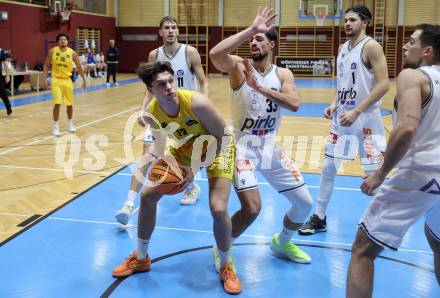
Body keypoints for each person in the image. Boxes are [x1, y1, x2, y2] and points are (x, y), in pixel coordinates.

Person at [111, 61, 242, 294]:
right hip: (185, 149)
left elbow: (223, 138)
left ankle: (226, 264)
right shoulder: (152, 113)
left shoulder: (196, 102)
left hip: (219, 148)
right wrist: (166, 170)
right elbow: (160, 148)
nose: (169, 87)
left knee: (218, 208)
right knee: (148, 195)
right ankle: (141, 257)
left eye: (171, 81)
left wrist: (193, 171)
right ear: (151, 90)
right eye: (161, 84)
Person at [209, 7, 314, 266]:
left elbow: (294, 103)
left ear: (272, 44)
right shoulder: (238, 67)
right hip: (242, 146)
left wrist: (261, 88)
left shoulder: (282, 74)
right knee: (252, 208)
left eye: (259, 39)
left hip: (269, 146)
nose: (254, 43)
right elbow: (214, 54)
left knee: (304, 204)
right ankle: (222, 248)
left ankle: (282, 242)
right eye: (252, 40)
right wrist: (250, 29)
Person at [347, 24, 440, 297]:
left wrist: (380, 173)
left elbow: (407, 127)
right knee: (437, 239)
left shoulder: (413, 75)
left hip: (422, 172)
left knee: (363, 250)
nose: (404, 46)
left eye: (410, 42)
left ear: (427, 50)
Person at [299, 5, 390, 235]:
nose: (347, 24)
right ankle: (319, 217)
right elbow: (343, 85)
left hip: (366, 120)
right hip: (342, 119)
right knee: (329, 167)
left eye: (352, 20)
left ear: (365, 23)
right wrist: (334, 104)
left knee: (373, 172)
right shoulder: (342, 48)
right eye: (345, 20)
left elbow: (383, 85)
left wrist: (357, 111)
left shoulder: (371, 47)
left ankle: (380, 221)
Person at [114, 16, 206, 225]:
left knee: (188, 157)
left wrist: (202, 103)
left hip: (186, 113)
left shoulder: (189, 52)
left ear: (178, 32)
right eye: (167, 28)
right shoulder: (154, 55)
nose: (171, 30)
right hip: (160, 111)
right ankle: (127, 205)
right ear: (160, 32)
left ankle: (192, 186)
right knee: (146, 156)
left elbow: (202, 81)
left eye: (174, 27)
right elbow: (149, 87)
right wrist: (142, 110)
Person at [43, 33, 86, 137]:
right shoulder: (52, 51)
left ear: (67, 41)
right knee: (57, 103)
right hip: (56, 80)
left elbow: (79, 67)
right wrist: (45, 79)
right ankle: (55, 127)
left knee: (69, 104)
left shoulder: (72, 53)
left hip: (67, 80)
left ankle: (69, 123)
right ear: (58, 42)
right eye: (61, 39)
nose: (63, 41)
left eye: (65, 39)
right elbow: (46, 65)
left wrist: (84, 79)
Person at [0, 48, 12, 115]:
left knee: (2, 92)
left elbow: (4, 63)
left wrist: (7, 75)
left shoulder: (0, 51)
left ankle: (8, 107)